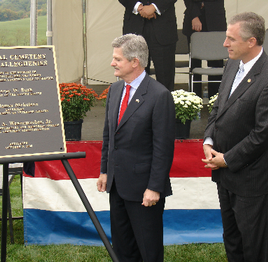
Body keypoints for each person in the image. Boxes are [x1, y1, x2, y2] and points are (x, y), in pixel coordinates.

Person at [202, 12, 268, 262]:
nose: (225, 44)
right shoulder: (231, 65)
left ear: (252, 42)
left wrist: (226, 159)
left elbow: (262, 135)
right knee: (233, 241)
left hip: (251, 181)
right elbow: (218, 108)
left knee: (253, 247)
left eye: (231, 39)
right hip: (225, 175)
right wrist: (208, 140)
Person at [97, 34, 175, 262]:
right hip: (117, 185)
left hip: (144, 191)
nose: (112, 63)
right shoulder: (114, 90)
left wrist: (154, 187)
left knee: (148, 250)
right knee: (123, 249)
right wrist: (104, 171)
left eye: (117, 59)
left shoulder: (159, 95)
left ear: (135, 62)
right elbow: (108, 135)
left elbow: (163, 149)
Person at [118, 0, 178, 91]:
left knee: (165, 78)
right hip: (134, 27)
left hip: (163, 28)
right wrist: (138, 7)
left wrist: (154, 7)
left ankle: (164, 104)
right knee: (135, 77)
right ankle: (138, 105)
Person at [182, 0, 226, 98]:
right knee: (195, 63)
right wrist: (194, 16)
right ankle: (195, 100)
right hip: (193, 19)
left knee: (216, 63)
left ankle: (215, 101)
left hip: (216, 19)